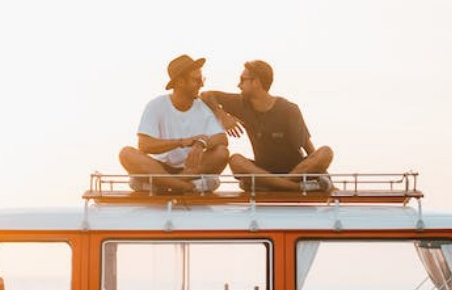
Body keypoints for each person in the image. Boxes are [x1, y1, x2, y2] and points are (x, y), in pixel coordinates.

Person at [200, 60, 333, 192]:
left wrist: (323, 172)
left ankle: (275, 185)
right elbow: (206, 95)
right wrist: (222, 115)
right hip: (263, 170)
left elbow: (307, 147)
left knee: (326, 152)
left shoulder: (288, 109)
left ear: (256, 82)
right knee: (235, 160)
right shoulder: (241, 103)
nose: (238, 85)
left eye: (242, 80)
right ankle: (294, 187)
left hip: (295, 170)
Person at [119, 55, 229, 193]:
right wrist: (181, 142)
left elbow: (222, 139)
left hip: (190, 169)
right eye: (197, 80)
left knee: (221, 153)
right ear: (180, 82)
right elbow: (144, 145)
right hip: (159, 168)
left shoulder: (203, 107)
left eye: (202, 79)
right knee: (126, 153)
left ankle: (166, 184)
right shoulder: (156, 105)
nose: (202, 84)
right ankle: (183, 186)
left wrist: (201, 143)